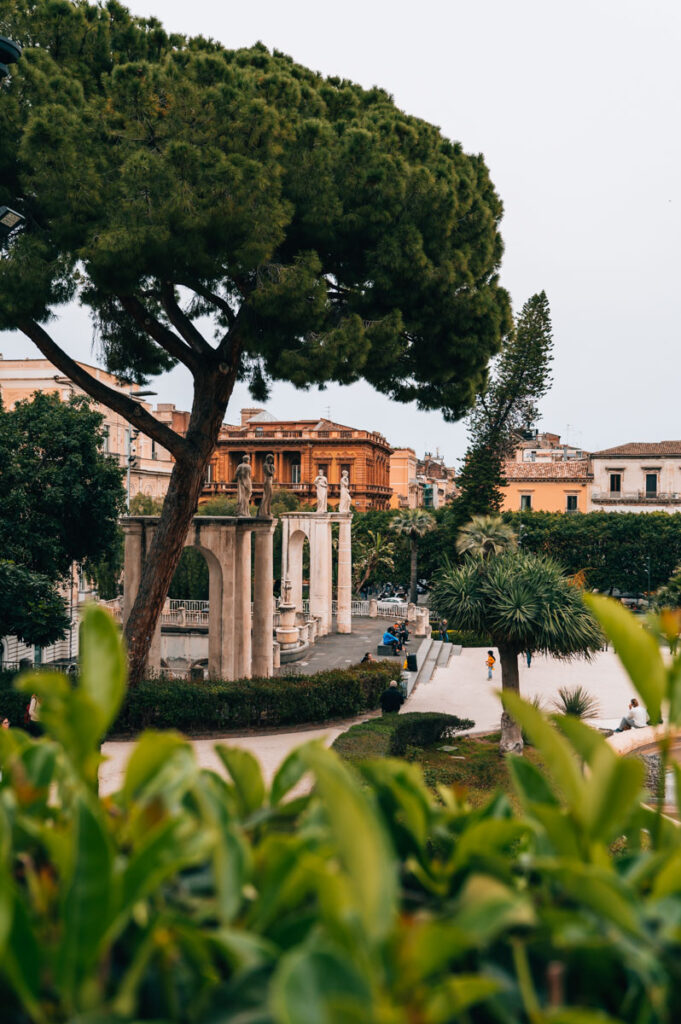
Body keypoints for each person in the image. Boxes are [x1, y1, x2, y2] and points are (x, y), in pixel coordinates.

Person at [257, 453, 276, 518]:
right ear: (267, 459)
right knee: (267, 496)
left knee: (270, 496)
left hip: (270, 481)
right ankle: (263, 511)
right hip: (267, 481)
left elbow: (273, 472)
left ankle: (268, 511)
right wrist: (272, 469)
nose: (271, 460)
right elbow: (270, 473)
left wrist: (272, 469)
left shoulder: (270, 466)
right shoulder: (265, 465)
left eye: (272, 459)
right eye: (270, 459)